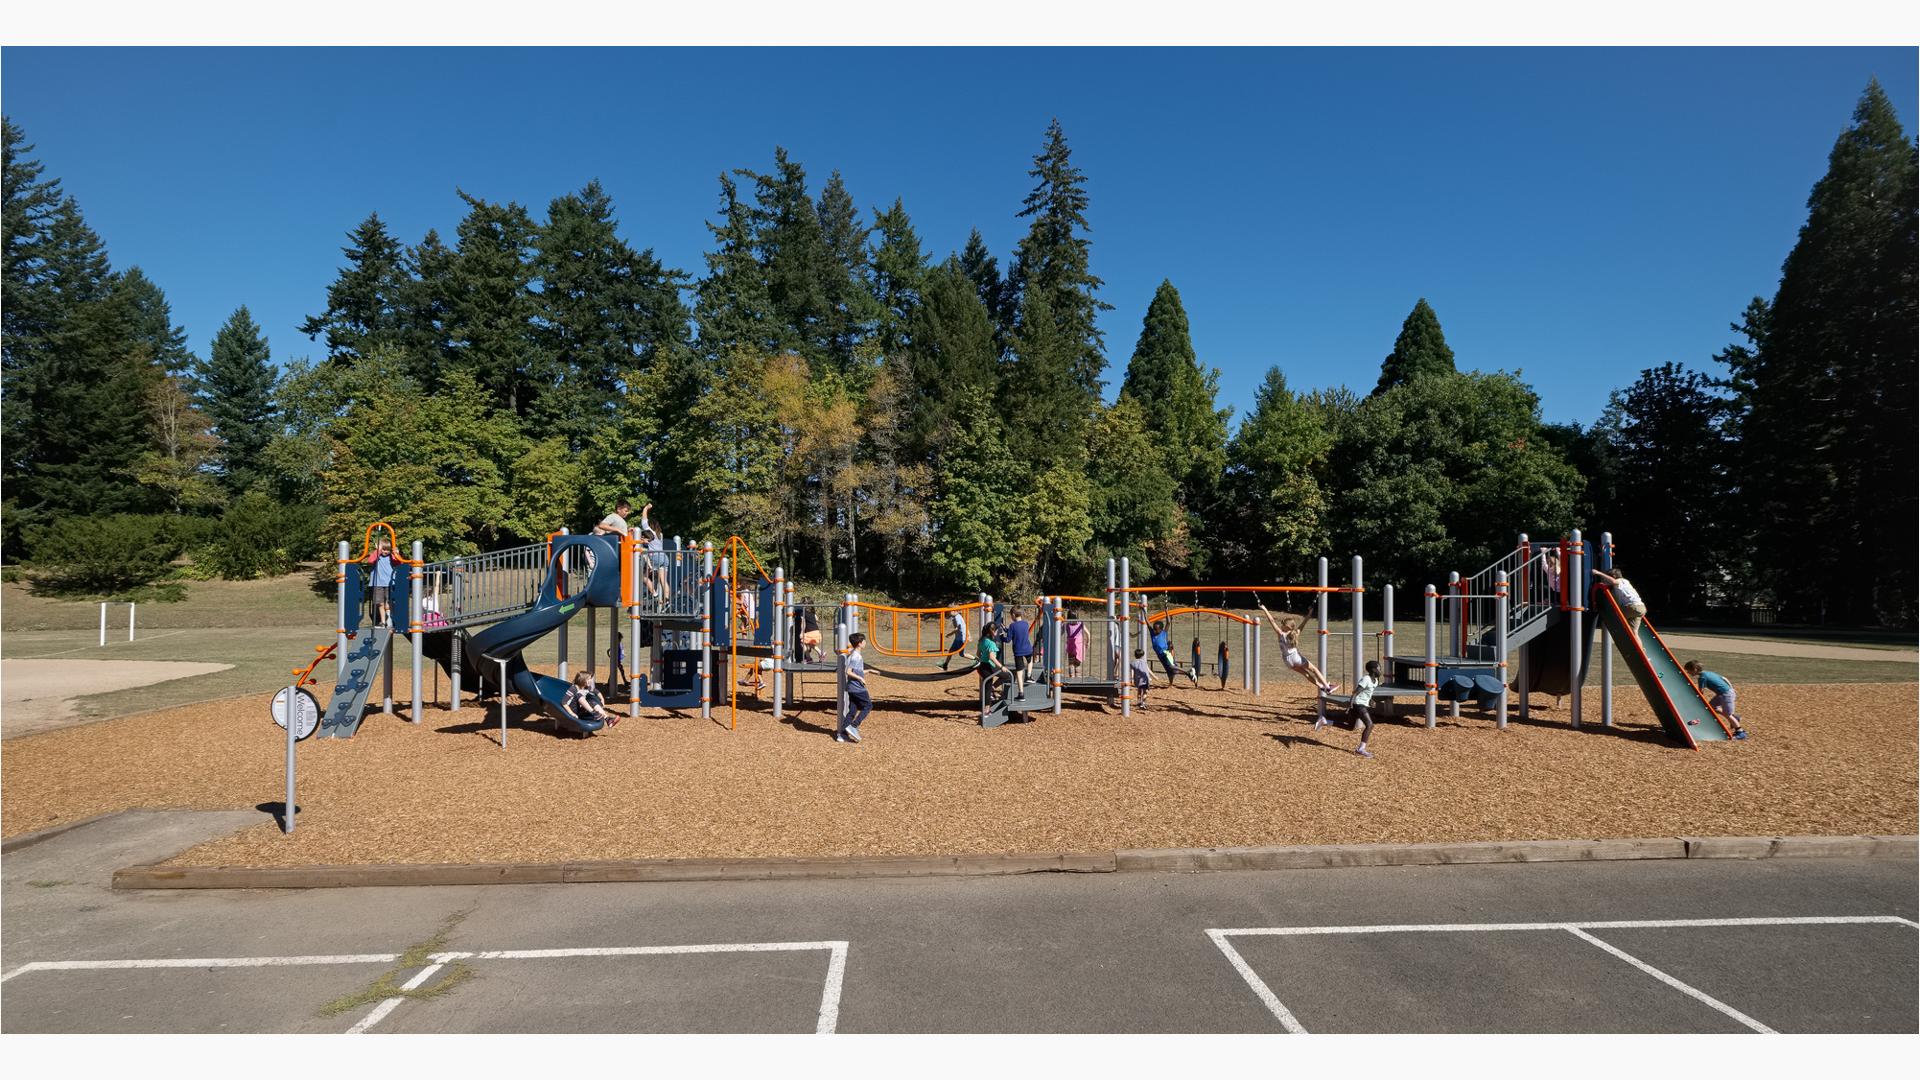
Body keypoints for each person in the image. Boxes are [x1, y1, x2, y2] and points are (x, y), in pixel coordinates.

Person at [1255, 601, 1338, 693]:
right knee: (1314, 670)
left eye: (1282, 624)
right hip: (1296, 657)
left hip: (1287, 661)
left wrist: (1264, 609)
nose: (1281, 626)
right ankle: (1327, 686)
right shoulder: (1295, 633)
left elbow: (1272, 621)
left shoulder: (1280, 634)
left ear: (1286, 626)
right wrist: (1310, 613)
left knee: (1305, 674)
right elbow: (1304, 623)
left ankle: (1321, 686)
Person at [1318, 660, 1379, 758]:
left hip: (1360, 704)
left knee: (1350, 727)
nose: (1380, 670)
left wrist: (1371, 701)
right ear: (1373, 670)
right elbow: (1355, 692)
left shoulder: (1375, 681)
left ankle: (1325, 721)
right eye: (1378, 668)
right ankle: (1361, 749)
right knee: (1370, 725)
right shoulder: (1366, 679)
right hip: (1358, 705)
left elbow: (1367, 693)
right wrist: (1350, 705)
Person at [1683, 660, 1751, 739]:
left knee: (1727, 714)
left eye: (1688, 671)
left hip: (1726, 695)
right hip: (1724, 693)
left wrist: (1694, 700)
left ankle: (1741, 732)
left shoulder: (1702, 678)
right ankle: (1735, 718)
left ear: (1694, 669)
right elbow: (1724, 678)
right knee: (1711, 707)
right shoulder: (1709, 673)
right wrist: (1731, 688)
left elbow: (1700, 692)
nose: (1688, 673)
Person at [836, 633, 872, 742]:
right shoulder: (857, 656)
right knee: (868, 706)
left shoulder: (853, 654)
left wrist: (869, 671)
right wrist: (861, 679)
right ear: (860, 643)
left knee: (852, 710)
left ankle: (841, 734)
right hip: (857, 688)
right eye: (864, 641)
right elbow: (848, 672)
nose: (865, 643)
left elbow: (857, 671)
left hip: (852, 688)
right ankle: (854, 725)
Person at [1592, 568, 1647, 639]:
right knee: (1634, 632)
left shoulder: (1619, 581)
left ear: (1614, 576)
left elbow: (1614, 582)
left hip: (1632, 607)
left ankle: (1621, 637)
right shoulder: (1626, 582)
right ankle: (1641, 649)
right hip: (1641, 608)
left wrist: (1598, 573)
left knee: (1614, 616)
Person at [975, 622, 1009, 724]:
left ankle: (987, 709)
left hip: (982, 666)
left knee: (988, 688)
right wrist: (1001, 667)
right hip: (989, 667)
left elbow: (978, 654)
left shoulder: (982, 640)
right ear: (993, 631)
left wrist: (981, 660)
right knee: (1007, 676)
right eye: (997, 630)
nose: (998, 632)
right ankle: (986, 711)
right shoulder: (991, 643)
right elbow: (992, 657)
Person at [637, 503, 671, 602]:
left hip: (655, 557)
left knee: (644, 576)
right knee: (663, 580)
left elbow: (643, 520)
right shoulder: (659, 534)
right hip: (664, 557)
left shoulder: (649, 531)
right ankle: (667, 600)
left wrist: (646, 508)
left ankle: (654, 594)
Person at [364, 538, 399, 629]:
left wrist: (396, 554)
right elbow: (370, 561)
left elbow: (399, 562)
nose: (386, 552)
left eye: (388, 549)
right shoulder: (376, 555)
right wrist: (378, 550)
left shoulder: (391, 556)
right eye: (384, 549)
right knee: (380, 603)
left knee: (389, 602)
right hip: (378, 582)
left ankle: (390, 619)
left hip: (390, 582)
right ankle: (383, 622)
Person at [1007, 609, 1035, 698]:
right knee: (1030, 661)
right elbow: (1020, 632)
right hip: (1027, 648)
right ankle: (1029, 676)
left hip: (1018, 651)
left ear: (1014, 615)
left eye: (1011, 615)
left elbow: (1008, 639)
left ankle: (1021, 693)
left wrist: (1001, 637)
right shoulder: (1026, 624)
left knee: (1019, 672)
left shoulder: (1012, 626)